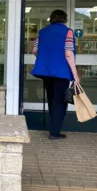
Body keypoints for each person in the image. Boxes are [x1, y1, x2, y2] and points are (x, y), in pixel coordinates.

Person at [31, 10, 80, 140]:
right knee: (60, 101)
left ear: (51, 19)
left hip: (46, 72)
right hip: (61, 72)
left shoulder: (42, 32)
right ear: (65, 19)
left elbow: (34, 50)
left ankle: (54, 126)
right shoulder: (68, 32)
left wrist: (44, 59)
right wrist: (75, 75)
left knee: (52, 99)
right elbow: (68, 54)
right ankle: (55, 132)